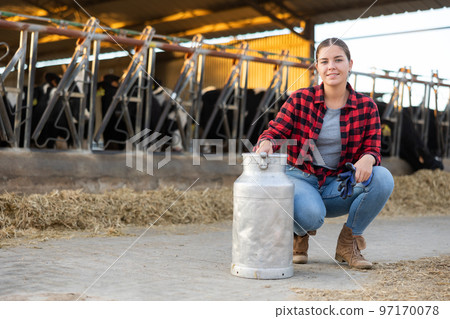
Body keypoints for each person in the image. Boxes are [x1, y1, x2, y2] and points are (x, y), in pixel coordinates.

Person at [254, 38, 394, 269]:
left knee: (383, 178)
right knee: (310, 216)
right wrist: (267, 143)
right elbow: (275, 131)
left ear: (350, 64)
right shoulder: (300, 99)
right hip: (301, 178)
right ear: (317, 67)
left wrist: (368, 159)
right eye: (325, 61)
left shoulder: (366, 106)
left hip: (340, 184)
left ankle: (348, 244)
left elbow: (373, 147)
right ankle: (299, 233)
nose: (332, 66)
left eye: (338, 60)